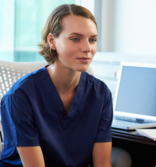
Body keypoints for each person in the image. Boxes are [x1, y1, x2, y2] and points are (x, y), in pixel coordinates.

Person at [0, 4, 113, 167]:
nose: (88, 48)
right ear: (52, 41)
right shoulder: (20, 97)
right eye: (75, 39)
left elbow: (102, 164)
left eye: (92, 40)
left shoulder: (101, 93)